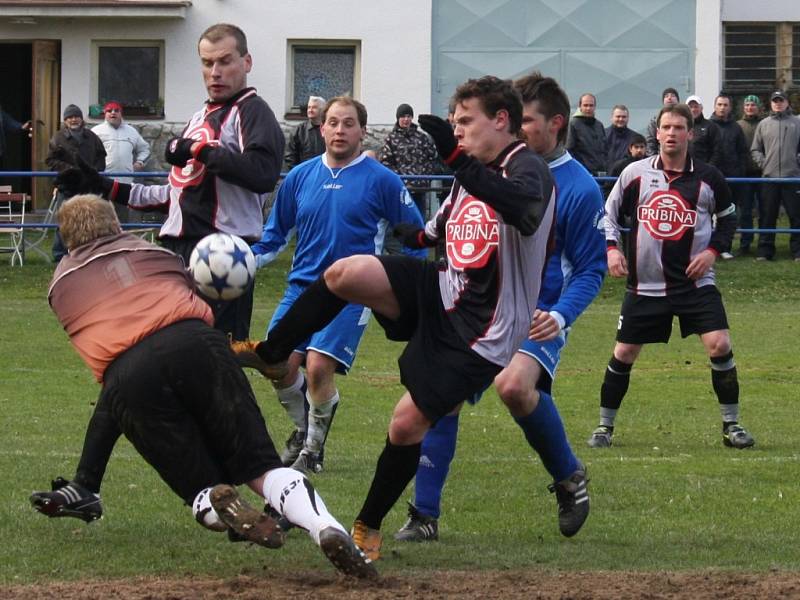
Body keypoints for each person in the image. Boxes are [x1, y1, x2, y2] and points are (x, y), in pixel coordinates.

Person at [247, 75, 556, 561]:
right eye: (454, 124)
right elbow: (429, 233)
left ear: (501, 120)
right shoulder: (468, 174)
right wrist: (404, 231)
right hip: (443, 290)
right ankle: (270, 354)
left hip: (483, 330)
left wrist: (454, 161)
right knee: (346, 273)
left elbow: (525, 210)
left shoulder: (528, 168)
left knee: (405, 424)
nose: (458, 133)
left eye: (466, 122)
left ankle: (367, 526)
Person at [28, 194, 376, 579]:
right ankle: (325, 526)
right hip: (198, 342)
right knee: (262, 467)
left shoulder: (59, 287)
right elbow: (190, 286)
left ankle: (214, 499)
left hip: (128, 374)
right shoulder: (157, 255)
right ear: (115, 225)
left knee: (197, 486)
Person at [47, 23, 284, 520]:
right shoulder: (202, 115)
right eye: (206, 62)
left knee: (194, 377)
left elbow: (263, 174)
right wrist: (99, 184)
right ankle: (88, 484)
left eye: (224, 61)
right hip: (177, 257)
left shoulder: (252, 112)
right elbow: (170, 197)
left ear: (246, 61)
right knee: (135, 367)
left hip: (218, 261)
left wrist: (199, 151)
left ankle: (268, 483)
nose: (214, 71)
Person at [394, 72, 605, 544]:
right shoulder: (486, 171)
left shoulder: (578, 186)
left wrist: (561, 314)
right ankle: (424, 514)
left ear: (556, 124)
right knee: (440, 397)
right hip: (476, 309)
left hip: (537, 311)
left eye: (528, 121)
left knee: (513, 386)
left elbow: (591, 268)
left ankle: (569, 476)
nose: (520, 131)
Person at [234, 97, 426, 475]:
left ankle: (313, 450)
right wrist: (243, 262)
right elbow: (274, 237)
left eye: (349, 124)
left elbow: (415, 238)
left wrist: (412, 289)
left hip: (352, 294)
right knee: (276, 364)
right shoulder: (300, 177)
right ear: (321, 129)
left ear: (363, 131)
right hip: (300, 289)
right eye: (333, 123)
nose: (340, 130)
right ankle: (306, 429)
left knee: (319, 367)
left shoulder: (383, 180)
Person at [587, 103, 755, 451]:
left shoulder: (709, 178)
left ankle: (732, 424)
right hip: (645, 285)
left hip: (695, 285)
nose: (672, 133)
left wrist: (711, 253)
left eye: (679, 127)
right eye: (666, 127)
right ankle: (604, 427)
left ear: (690, 134)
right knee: (624, 352)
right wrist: (612, 249)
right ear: (657, 133)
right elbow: (609, 214)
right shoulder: (634, 173)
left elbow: (728, 220)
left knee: (720, 344)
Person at [46, 104, 107, 262]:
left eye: (76, 116)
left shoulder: (92, 137)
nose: (73, 120)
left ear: (81, 119)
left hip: (88, 185)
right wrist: (69, 169)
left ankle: (89, 252)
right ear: (65, 121)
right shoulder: (57, 137)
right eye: (69, 117)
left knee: (90, 220)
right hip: (67, 185)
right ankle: (60, 254)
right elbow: (50, 160)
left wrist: (95, 172)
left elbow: (101, 155)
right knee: (64, 221)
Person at [750, 90, 800, 261]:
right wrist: (763, 164)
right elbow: (755, 149)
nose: (778, 103)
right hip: (769, 178)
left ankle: (798, 251)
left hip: (792, 177)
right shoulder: (763, 124)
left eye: (781, 100)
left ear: (787, 102)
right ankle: (765, 251)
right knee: (767, 215)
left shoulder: (797, 122)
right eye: (775, 101)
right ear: (771, 103)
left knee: (796, 215)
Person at [91, 101, 152, 223]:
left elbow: (144, 148)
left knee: (122, 218)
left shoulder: (131, 131)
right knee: (102, 216)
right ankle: (104, 241)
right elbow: (88, 152)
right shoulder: (96, 131)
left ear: (121, 113)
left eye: (116, 110)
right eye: (109, 110)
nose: (113, 113)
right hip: (104, 181)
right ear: (105, 114)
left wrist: (140, 162)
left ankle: (121, 240)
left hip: (125, 181)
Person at [379, 103, 443, 217]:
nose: (406, 119)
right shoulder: (391, 138)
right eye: (403, 116)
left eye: (409, 116)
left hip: (420, 187)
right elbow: (386, 163)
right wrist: (400, 179)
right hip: (401, 188)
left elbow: (433, 156)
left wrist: (425, 174)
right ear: (398, 118)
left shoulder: (421, 137)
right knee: (401, 219)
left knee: (419, 218)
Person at [709, 93, 748, 259]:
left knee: (728, 213)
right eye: (719, 104)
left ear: (730, 107)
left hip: (732, 177)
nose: (722, 108)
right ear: (715, 106)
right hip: (711, 176)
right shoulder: (708, 126)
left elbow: (742, 152)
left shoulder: (736, 127)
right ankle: (706, 246)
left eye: (725, 105)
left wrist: (739, 171)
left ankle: (725, 247)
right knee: (706, 212)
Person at [735, 94, 763, 255]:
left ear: (758, 107)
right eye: (747, 105)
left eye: (753, 104)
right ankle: (745, 243)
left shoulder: (764, 124)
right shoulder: (738, 125)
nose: (750, 107)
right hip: (744, 174)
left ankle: (764, 243)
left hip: (763, 174)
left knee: (764, 210)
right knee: (745, 211)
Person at [566, 93, 607, 175]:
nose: (588, 108)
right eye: (585, 105)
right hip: (582, 172)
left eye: (591, 105)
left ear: (595, 107)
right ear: (580, 106)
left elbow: (605, 150)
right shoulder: (573, 124)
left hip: (600, 173)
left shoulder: (599, 125)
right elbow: (569, 150)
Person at [284, 95, 326, 170]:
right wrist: (298, 173)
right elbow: (290, 157)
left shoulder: (329, 130)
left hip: (324, 173)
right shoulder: (298, 130)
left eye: (314, 107)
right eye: (309, 107)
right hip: (303, 175)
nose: (310, 110)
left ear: (322, 110)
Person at [686, 95, 721, 167]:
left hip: (704, 170)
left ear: (701, 108)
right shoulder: (681, 126)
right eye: (690, 107)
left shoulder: (711, 126)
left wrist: (709, 168)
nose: (693, 109)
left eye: (696, 106)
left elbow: (717, 151)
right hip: (685, 170)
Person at [646, 87, 680, 156]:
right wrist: (654, 160)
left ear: (678, 100)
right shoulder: (655, 121)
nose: (669, 98)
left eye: (672, 96)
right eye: (666, 96)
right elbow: (650, 142)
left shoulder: (684, 119)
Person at [605, 104, 636, 171]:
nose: (621, 119)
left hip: (627, 177)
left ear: (628, 118)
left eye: (624, 117)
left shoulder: (635, 138)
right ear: (612, 118)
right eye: (618, 116)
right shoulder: (603, 135)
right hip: (605, 178)